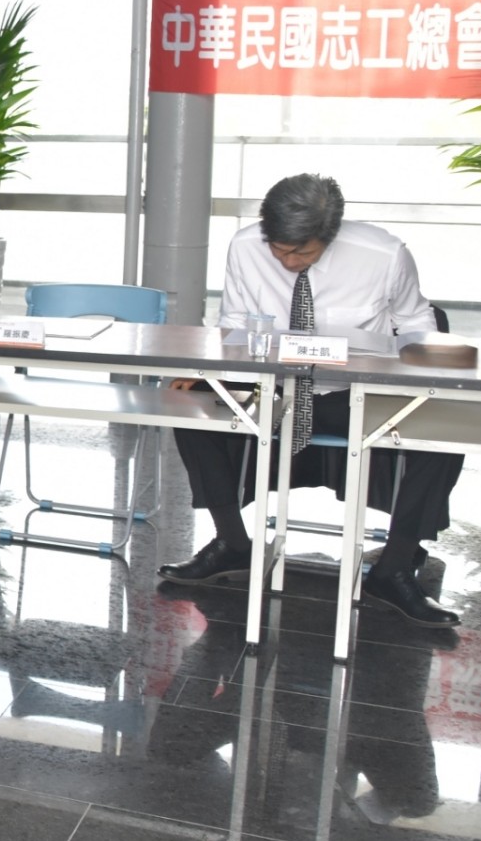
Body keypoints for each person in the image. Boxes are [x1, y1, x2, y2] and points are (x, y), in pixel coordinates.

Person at [160, 173, 462, 628]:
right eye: (278, 250)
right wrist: (208, 369)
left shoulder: (384, 255)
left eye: (301, 252)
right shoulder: (245, 247)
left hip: (355, 394)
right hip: (274, 388)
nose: (288, 261)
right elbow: (235, 323)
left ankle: (395, 568)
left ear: (330, 234)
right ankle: (232, 543)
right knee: (190, 406)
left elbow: (418, 323)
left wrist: (423, 374)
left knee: (442, 435)